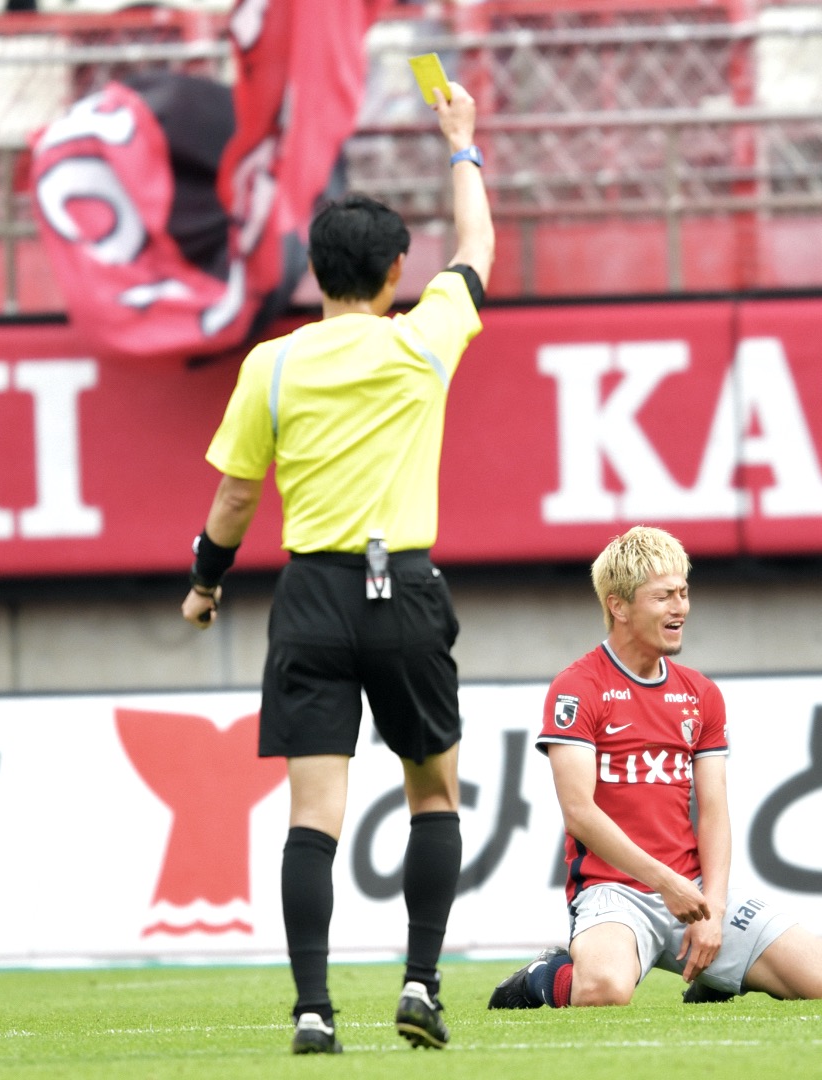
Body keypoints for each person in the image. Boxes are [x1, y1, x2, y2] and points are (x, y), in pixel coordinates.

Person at [180, 80, 493, 1054]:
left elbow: (234, 498)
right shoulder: (423, 343)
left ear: (314, 273)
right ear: (400, 269)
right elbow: (478, 254)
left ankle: (314, 1009)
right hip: (404, 588)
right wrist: (462, 146)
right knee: (431, 794)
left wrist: (206, 581)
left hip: (310, 595)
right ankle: (420, 986)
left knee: (312, 817)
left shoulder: (272, 365)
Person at [488, 527, 822, 1010]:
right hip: (614, 890)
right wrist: (667, 883)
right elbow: (579, 813)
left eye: (683, 593)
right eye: (663, 597)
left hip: (694, 890)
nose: (680, 608)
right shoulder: (577, 688)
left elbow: (715, 812)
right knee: (605, 992)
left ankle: (715, 979)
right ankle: (542, 976)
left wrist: (713, 907)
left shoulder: (701, 693)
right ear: (619, 606)